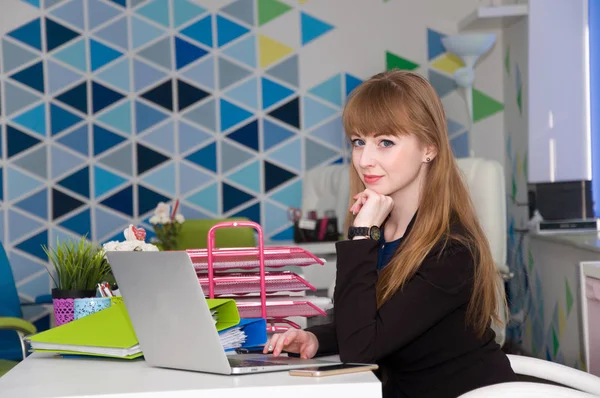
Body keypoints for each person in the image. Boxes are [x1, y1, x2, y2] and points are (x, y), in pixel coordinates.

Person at [263, 69, 518, 397]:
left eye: (385, 142)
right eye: (358, 142)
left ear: (429, 147)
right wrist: (315, 339)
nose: (365, 160)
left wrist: (361, 236)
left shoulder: (451, 250)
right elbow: (366, 325)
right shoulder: (381, 228)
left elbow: (362, 349)